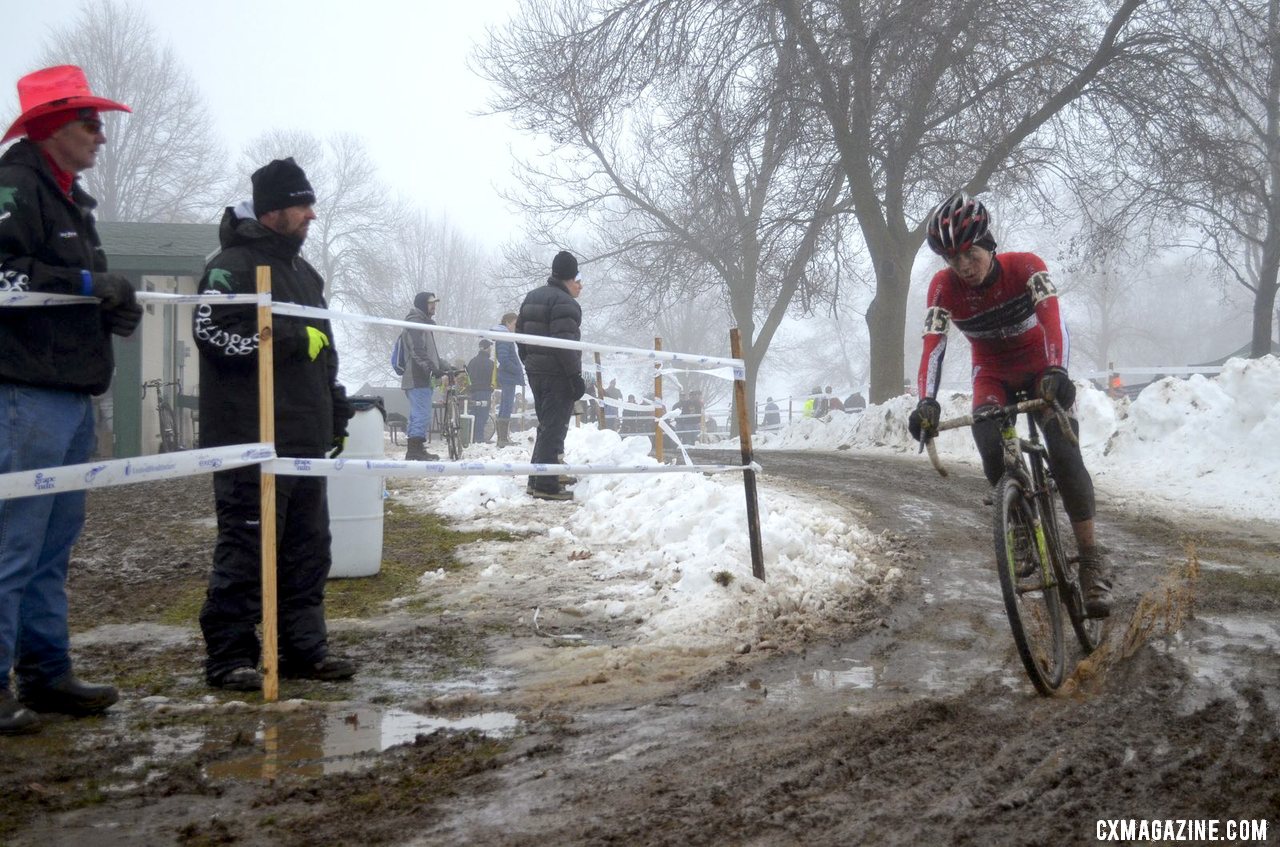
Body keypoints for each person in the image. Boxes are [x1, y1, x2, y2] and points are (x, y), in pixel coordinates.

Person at [0, 65, 141, 734]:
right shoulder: (14, 187)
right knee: (13, 543)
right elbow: (5, 274)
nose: (101, 135)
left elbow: (78, 289)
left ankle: (46, 673)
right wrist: (87, 281)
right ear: (54, 124)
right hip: (25, 393)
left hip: (72, 390)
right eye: (91, 121)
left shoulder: (72, 201)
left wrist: (109, 307)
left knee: (53, 545)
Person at [908, 190, 1112, 617]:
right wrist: (926, 401)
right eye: (952, 258)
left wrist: (1058, 369)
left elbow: (1054, 319)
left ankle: (1092, 558)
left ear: (989, 243)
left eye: (970, 253)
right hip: (992, 373)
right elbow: (934, 346)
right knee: (986, 434)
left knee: (1064, 452)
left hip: (1041, 366)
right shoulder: (943, 288)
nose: (963, 266)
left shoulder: (1026, 267)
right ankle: (1017, 518)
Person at [194, 157, 357, 691]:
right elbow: (213, 335)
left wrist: (335, 410)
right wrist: (285, 338)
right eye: (301, 205)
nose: (311, 214)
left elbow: (325, 350)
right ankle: (230, 655)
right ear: (272, 211)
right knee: (247, 548)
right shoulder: (230, 266)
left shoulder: (306, 275)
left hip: (303, 437)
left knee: (310, 548)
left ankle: (303, 649)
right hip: (250, 438)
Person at [516, 250, 583, 501]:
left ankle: (538, 477)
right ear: (569, 277)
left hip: (535, 371)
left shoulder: (532, 296)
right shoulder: (566, 304)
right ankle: (545, 485)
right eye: (578, 277)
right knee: (554, 428)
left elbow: (519, 335)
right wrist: (575, 377)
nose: (581, 284)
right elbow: (564, 343)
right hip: (557, 373)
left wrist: (528, 361)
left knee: (546, 426)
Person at [401, 292, 444, 461]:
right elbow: (417, 352)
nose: (434, 306)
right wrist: (432, 369)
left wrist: (443, 367)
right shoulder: (415, 324)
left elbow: (430, 354)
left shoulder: (423, 324)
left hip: (420, 377)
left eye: (435, 302)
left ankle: (415, 449)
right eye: (431, 303)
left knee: (417, 414)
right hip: (417, 377)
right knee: (422, 414)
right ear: (421, 304)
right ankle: (415, 450)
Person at [491, 312, 524, 447]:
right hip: (508, 377)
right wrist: (516, 369)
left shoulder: (504, 336)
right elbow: (503, 358)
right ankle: (503, 439)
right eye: (515, 324)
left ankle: (503, 438)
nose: (516, 327)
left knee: (506, 406)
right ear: (508, 323)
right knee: (506, 406)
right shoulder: (504, 337)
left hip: (507, 376)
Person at [466, 339, 494, 443]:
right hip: (485, 392)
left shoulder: (472, 361)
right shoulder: (490, 364)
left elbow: (467, 376)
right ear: (487, 349)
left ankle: (471, 436)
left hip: (473, 392)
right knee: (482, 415)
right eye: (490, 348)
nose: (491, 350)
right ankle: (479, 438)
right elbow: (494, 378)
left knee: (474, 413)